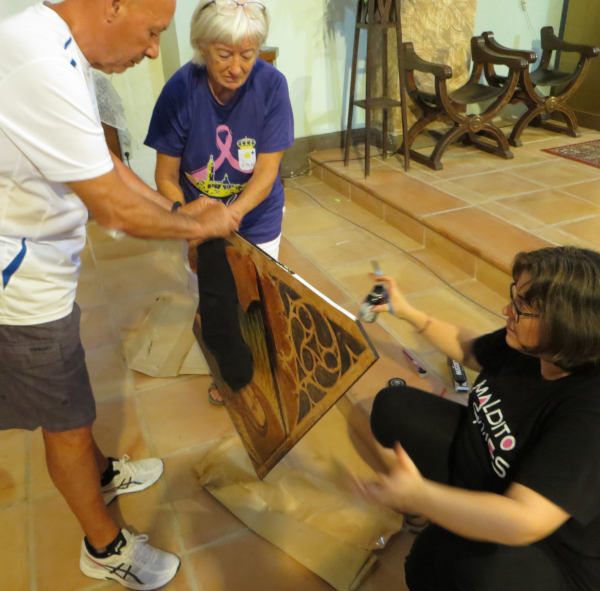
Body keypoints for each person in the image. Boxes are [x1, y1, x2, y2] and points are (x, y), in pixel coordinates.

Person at [0, 1, 240, 589]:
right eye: (154, 31)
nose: (155, 49)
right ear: (114, 6)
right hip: (18, 285)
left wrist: (181, 211)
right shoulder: (35, 58)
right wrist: (196, 226)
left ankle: (100, 471)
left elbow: (102, 163)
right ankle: (103, 546)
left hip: (42, 262)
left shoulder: (58, 48)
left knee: (72, 399)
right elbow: (110, 204)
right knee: (66, 417)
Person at [355, 246, 600, 591]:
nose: (507, 311)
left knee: (439, 567)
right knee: (395, 408)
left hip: (552, 550)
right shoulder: (533, 346)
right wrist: (406, 310)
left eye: (523, 306)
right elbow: (471, 350)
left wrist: (420, 497)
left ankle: (457, 526)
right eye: (517, 297)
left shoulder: (588, 412)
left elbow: (526, 520)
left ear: (568, 325)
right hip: (498, 477)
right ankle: (458, 516)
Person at [145, 0, 294, 404]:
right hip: (197, 217)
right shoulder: (181, 89)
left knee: (257, 293)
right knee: (214, 298)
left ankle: (264, 365)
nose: (237, 67)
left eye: (247, 55)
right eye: (224, 54)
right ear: (202, 47)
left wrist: (232, 214)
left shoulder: (271, 86)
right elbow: (164, 176)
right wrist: (192, 223)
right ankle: (227, 367)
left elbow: (266, 173)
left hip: (255, 212)